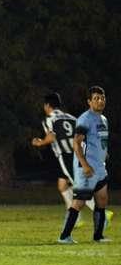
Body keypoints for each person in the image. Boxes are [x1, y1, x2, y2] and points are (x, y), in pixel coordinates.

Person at [31, 92, 112, 227]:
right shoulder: (72, 118)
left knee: (79, 187)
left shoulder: (49, 119)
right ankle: (76, 218)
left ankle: (102, 213)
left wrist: (40, 142)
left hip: (67, 155)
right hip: (81, 153)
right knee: (62, 185)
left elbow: (52, 136)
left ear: (47, 105)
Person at [58, 86, 112, 244]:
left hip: (100, 167)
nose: (100, 101)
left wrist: (104, 153)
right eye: (96, 98)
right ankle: (64, 236)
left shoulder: (103, 119)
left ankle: (98, 236)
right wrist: (85, 165)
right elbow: (76, 143)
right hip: (86, 168)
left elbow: (99, 141)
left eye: (102, 98)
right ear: (89, 101)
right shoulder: (85, 119)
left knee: (102, 200)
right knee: (79, 203)